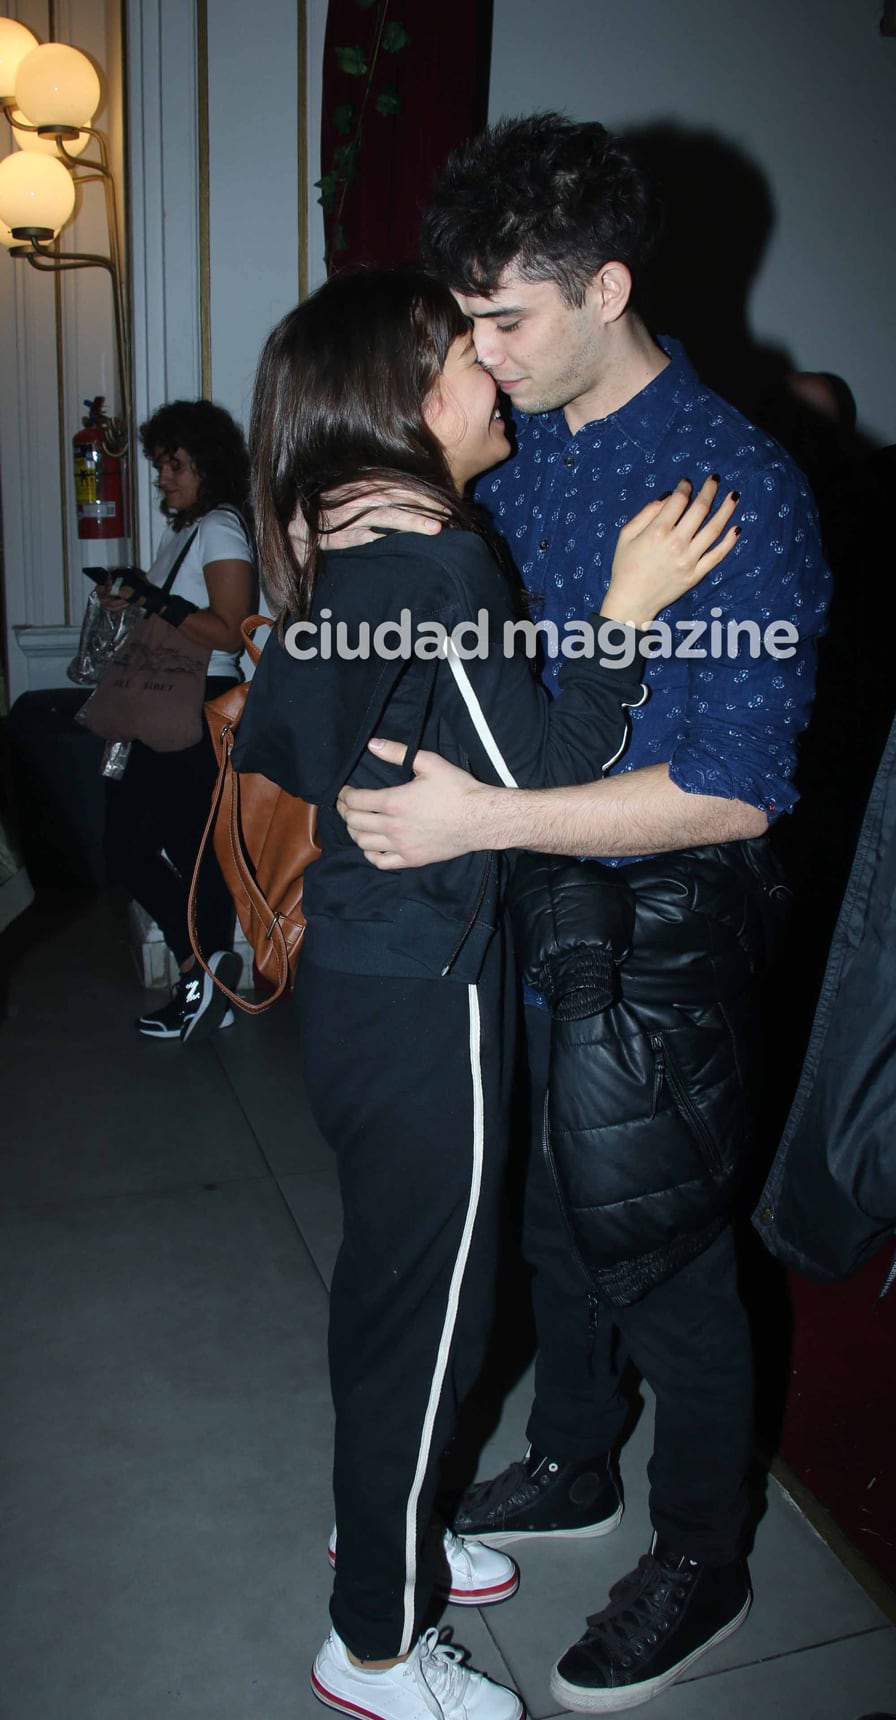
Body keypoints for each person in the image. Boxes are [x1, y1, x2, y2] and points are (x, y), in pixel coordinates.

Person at [335, 115, 832, 1712]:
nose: (478, 357)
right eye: (465, 319)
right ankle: (571, 1461)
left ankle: (704, 1544)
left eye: (504, 320)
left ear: (606, 286)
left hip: (666, 924)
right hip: (529, 914)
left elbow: (737, 788)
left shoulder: (739, 485)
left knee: (666, 1249)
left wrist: (490, 817)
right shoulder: (521, 438)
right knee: (551, 1224)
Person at [233, 265, 740, 1720]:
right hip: (427, 998)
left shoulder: (348, 556)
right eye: (468, 353)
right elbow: (544, 776)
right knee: (433, 1316)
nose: (495, 373)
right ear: (405, 405)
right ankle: (375, 1641)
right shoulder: (437, 569)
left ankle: (385, 1525)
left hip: (364, 984)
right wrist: (632, 608)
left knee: (397, 1296)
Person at [101, 400, 255, 1042]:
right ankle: (206, 969)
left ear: (207, 465)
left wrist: (149, 596)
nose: (163, 476)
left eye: (175, 464)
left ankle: (204, 976)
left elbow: (231, 627)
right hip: (167, 698)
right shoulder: (187, 532)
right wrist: (137, 592)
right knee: (139, 846)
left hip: (197, 698)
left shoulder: (219, 527)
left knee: (183, 849)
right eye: (161, 464)